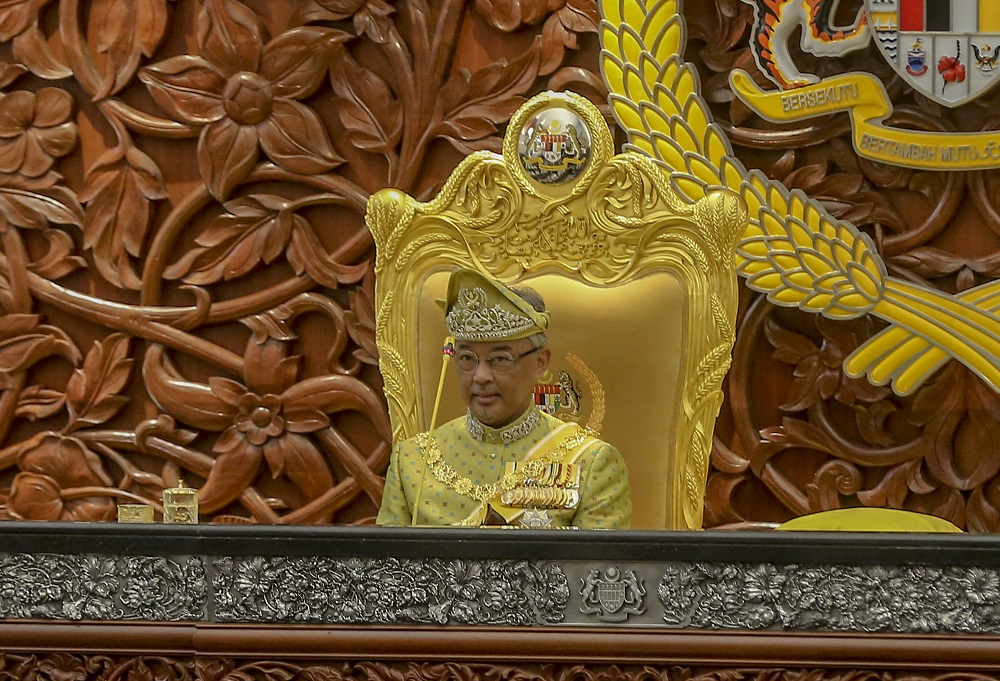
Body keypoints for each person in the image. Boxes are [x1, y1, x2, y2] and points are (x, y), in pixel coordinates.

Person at [376, 268, 632, 528]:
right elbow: (385, 567)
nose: (481, 376)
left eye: (500, 359)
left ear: (540, 363)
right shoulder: (411, 461)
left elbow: (602, 568)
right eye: (467, 359)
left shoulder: (591, 463)